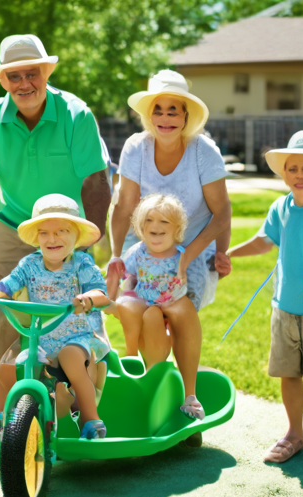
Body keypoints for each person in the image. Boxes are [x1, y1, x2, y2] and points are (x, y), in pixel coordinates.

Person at [0, 34, 110, 396]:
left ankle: (89, 363)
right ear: (3, 81)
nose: (25, 83)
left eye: (32, 73)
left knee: (78, 289)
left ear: (46, 74)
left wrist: (91, 235)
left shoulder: (75, 113)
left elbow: (96, 180)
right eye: (15, 76)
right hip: (14, 219)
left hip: (67, 223)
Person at [108, 70, 232, 413]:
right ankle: (153, 381)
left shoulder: (203, 150)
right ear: (149, 115)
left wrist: (207, 254)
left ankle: (188, 396)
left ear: (186, 115)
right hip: (143, 243)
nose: (164, 118)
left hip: (193, 243)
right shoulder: (136, 146)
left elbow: (221, 212)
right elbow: (123, 207)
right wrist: (116, 256)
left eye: (173, 110)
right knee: (144, 312)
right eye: (158, 110)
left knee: (179, 310)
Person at [227, 130, 303, 463]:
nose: (299, 175)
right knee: (289, 373)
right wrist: (231, 253)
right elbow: (263, 241)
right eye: (292, 168)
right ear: (283, 172)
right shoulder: (281, 206)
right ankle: (294, 434)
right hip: (284, 310)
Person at [0, 194, 110, 439]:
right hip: (38, 336)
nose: (52, 238)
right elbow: (7, 285)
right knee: (7, 368)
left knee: (70, 359)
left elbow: (101, 292)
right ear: (37, 237)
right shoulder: (29, 264)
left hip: (75, 335)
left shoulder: (82, 264)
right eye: (44, 233)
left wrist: (87, 299)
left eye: (61, 231)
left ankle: (90, 418)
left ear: (76, 235)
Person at [107, 193, 205, 418]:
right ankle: (151, 375)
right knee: (150, 315)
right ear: (141, 227)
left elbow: (192, 288)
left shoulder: (182, 256)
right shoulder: (137, 253)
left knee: (185, 313)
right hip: (147, 306)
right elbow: (128, 281)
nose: (156, 227)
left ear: (177, 229)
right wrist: (119, 288)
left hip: (174, 303)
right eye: (150, 221)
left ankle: (190, 393)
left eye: (164, 222)